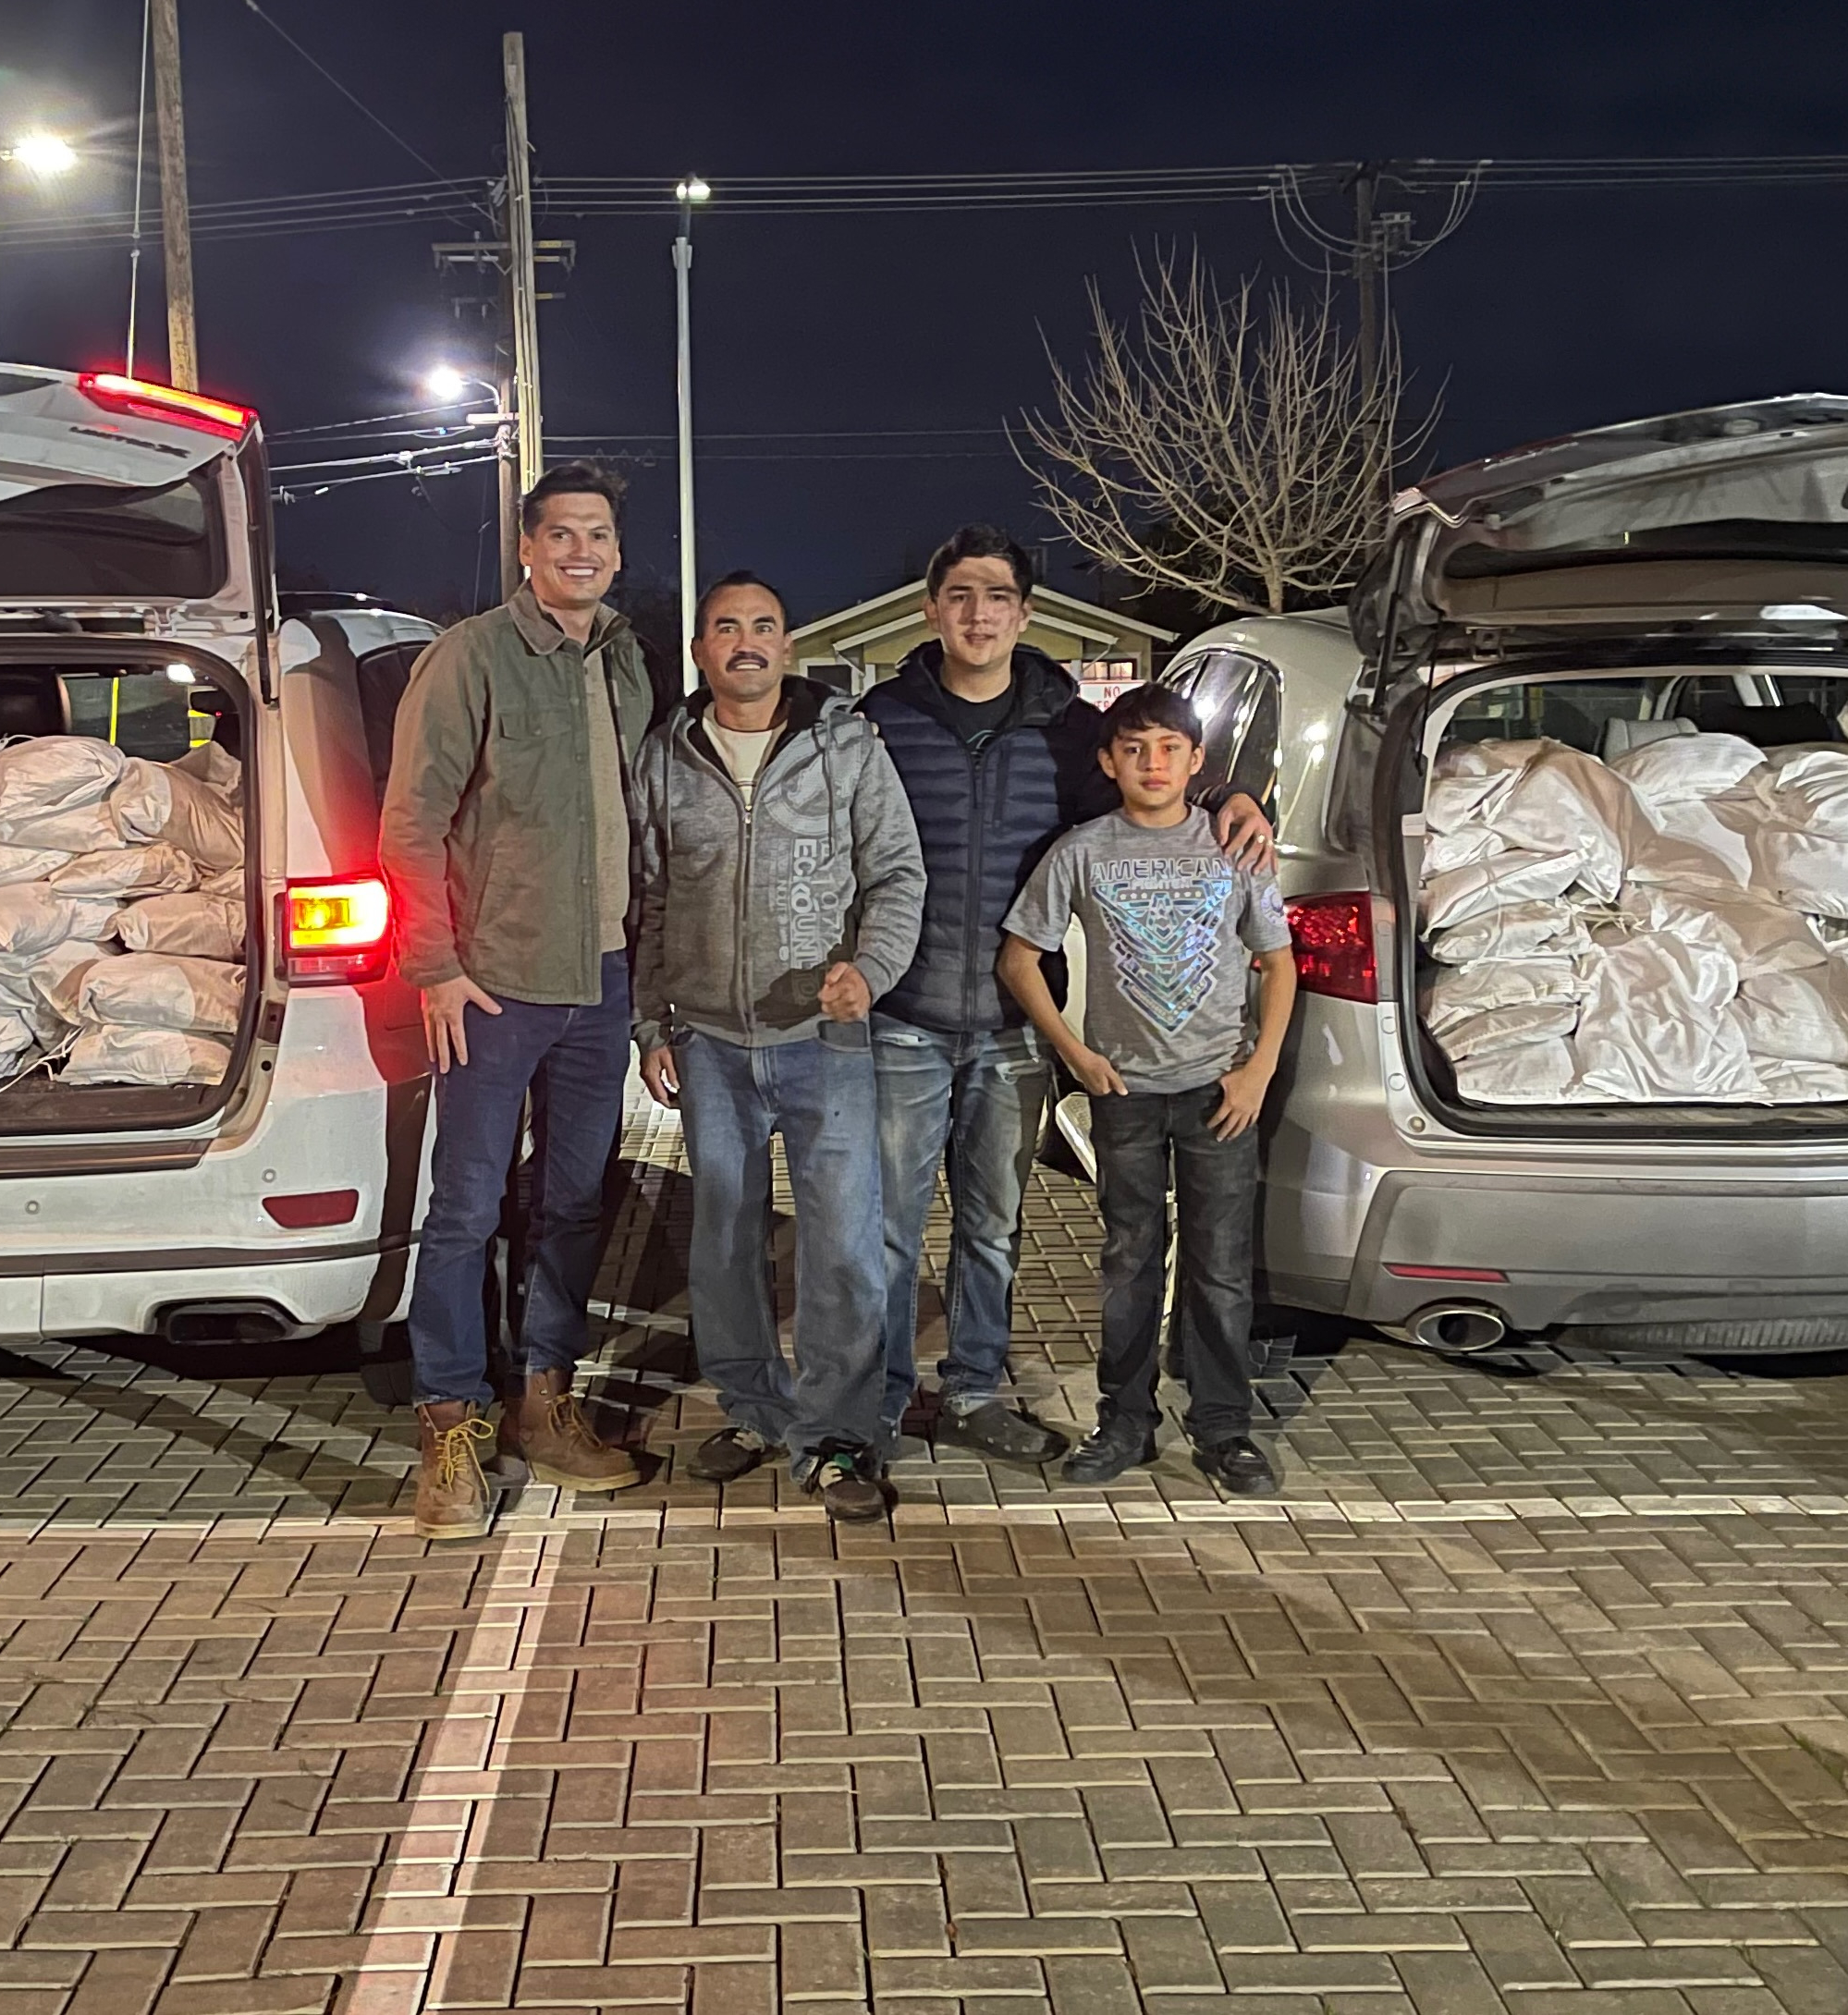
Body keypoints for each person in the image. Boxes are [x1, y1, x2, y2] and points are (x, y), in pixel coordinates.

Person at [860, 527, 1273, 1463]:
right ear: (930, 608)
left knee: (993, 1229)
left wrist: (1243, 800)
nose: (977, 614)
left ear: (1024, 613)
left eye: (997, 596)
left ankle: (971, 1393)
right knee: (885, 1230)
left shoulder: (1070, 727)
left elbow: (1156, 786)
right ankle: (880, 1403)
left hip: (1012, 1028)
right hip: (903, 1022)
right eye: (959, 595)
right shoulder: (884, 718)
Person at [381, 461, 655, 1541]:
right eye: (561, 535)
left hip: (602, 980)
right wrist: (436, 965)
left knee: (576, 1202)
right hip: (490, 987)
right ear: (528, 550)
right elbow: (412, 822)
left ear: (616, 551)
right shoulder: (471, 657)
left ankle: (544, 1396)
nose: (581, 550)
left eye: (597, 534)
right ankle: (448, 1421)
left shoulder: (626, 663)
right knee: (466, 1208)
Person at [634, 573, 925, 1524]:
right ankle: (755, 1408)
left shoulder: (844, 746)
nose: (746, 642)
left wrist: (869, 971)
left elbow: (895, 873)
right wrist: (651, 1023)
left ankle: (838, 1436)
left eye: (764, 625)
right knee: (722, 1243)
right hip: (710, 1042)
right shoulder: (666, 755)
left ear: (788, 647)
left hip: (823, 1040)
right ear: (700, 650)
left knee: (840, 1244)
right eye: (726, 627)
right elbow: (651, 897)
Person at [995, 683, 1294, 1496]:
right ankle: (1124, 1421)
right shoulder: (1082, 850)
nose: (1152, 764)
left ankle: (1224, 1427)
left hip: (1219, 1093)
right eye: (1133, 749)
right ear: (1108, 761)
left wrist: (1258, 1069)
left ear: (1197, 762)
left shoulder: (1237, 851)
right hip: (1124, 1091)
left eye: (1169, 749)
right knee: (1130, 1260)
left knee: (1221, 1266)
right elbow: (1019, 957)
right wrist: (1074, 1054)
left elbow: (1280, 964)